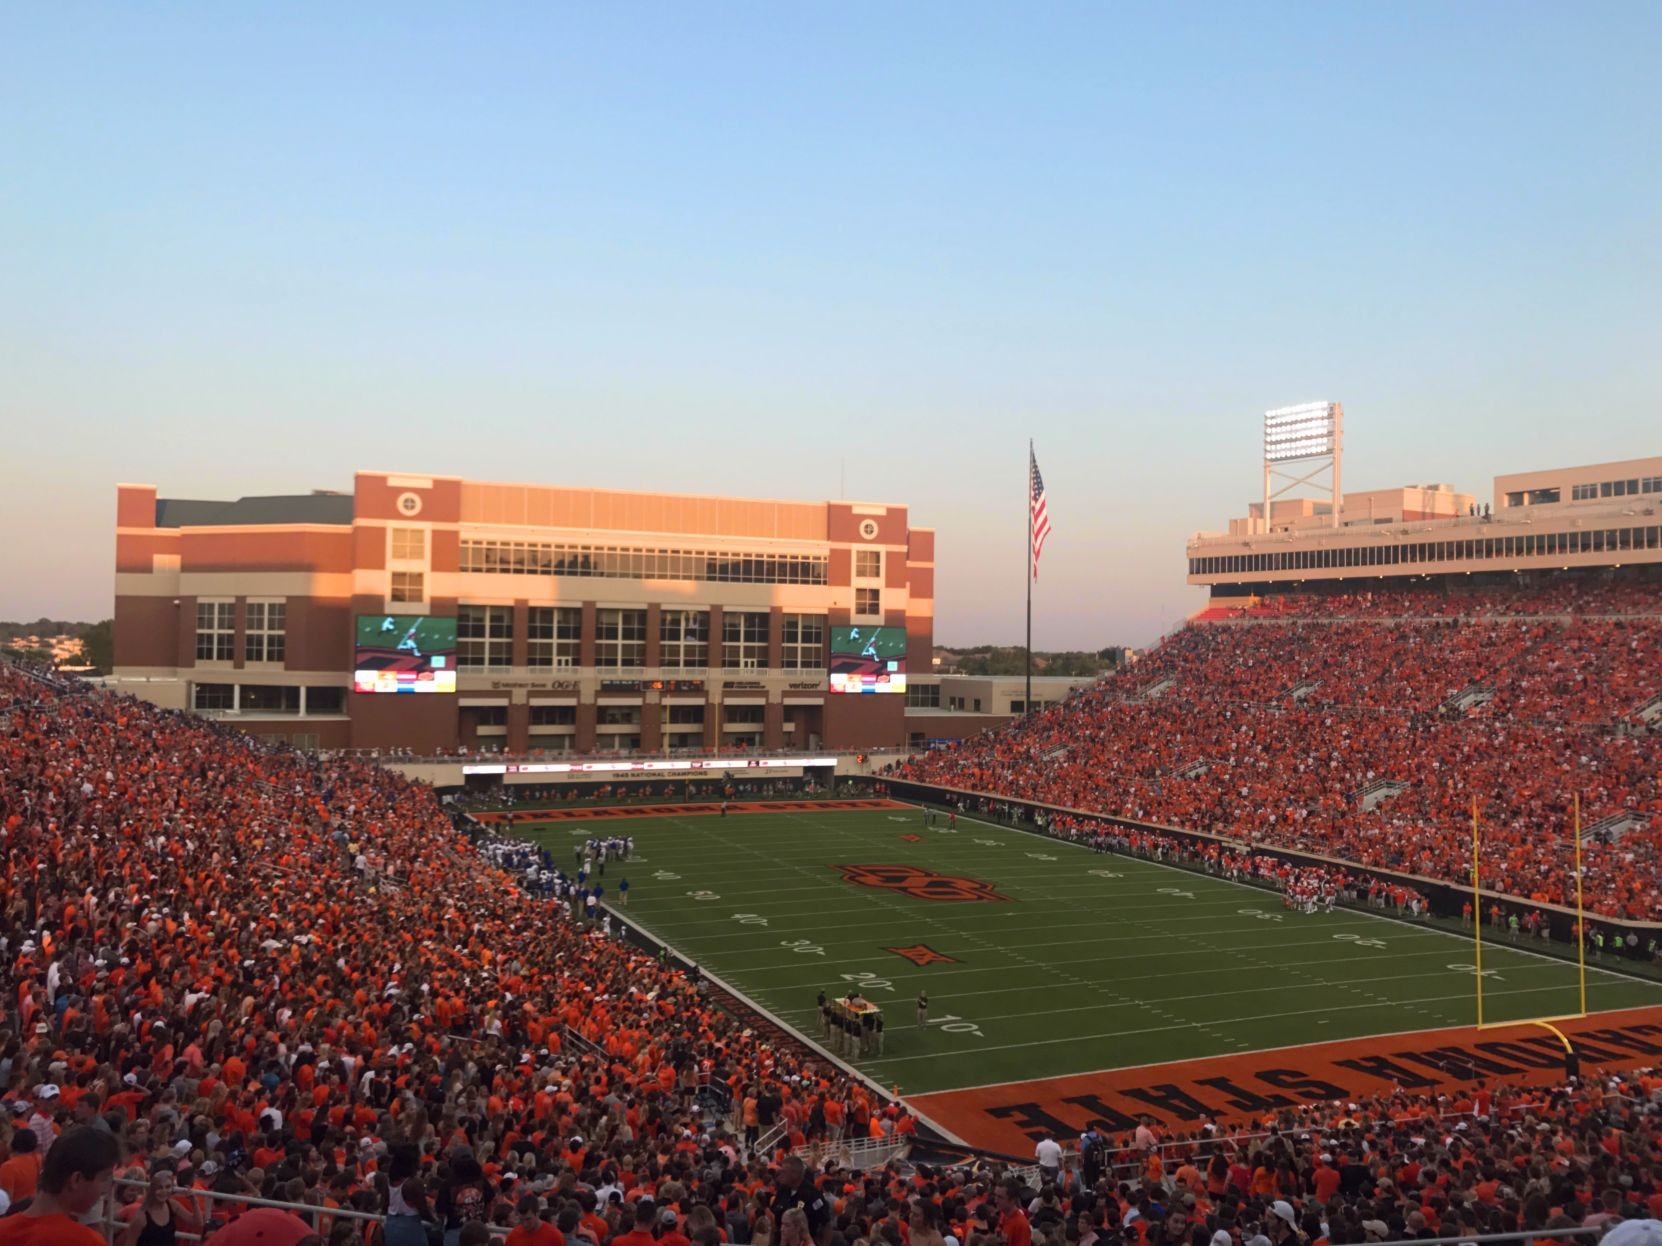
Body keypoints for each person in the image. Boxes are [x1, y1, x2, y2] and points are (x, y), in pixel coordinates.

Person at [0, 1126, 120, 1246]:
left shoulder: (3, 1230)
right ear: (76, 1179)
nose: (106, 1189)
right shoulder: (86, 1241)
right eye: (103, 1179)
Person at [119, 1161, 202, 1246]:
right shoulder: (141, 1217)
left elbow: (197, 1223)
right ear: (152, 1188)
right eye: (159, 1187)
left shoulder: (172, 1205)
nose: (164, 1191)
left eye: (168, 1187)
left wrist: (194, 1202)